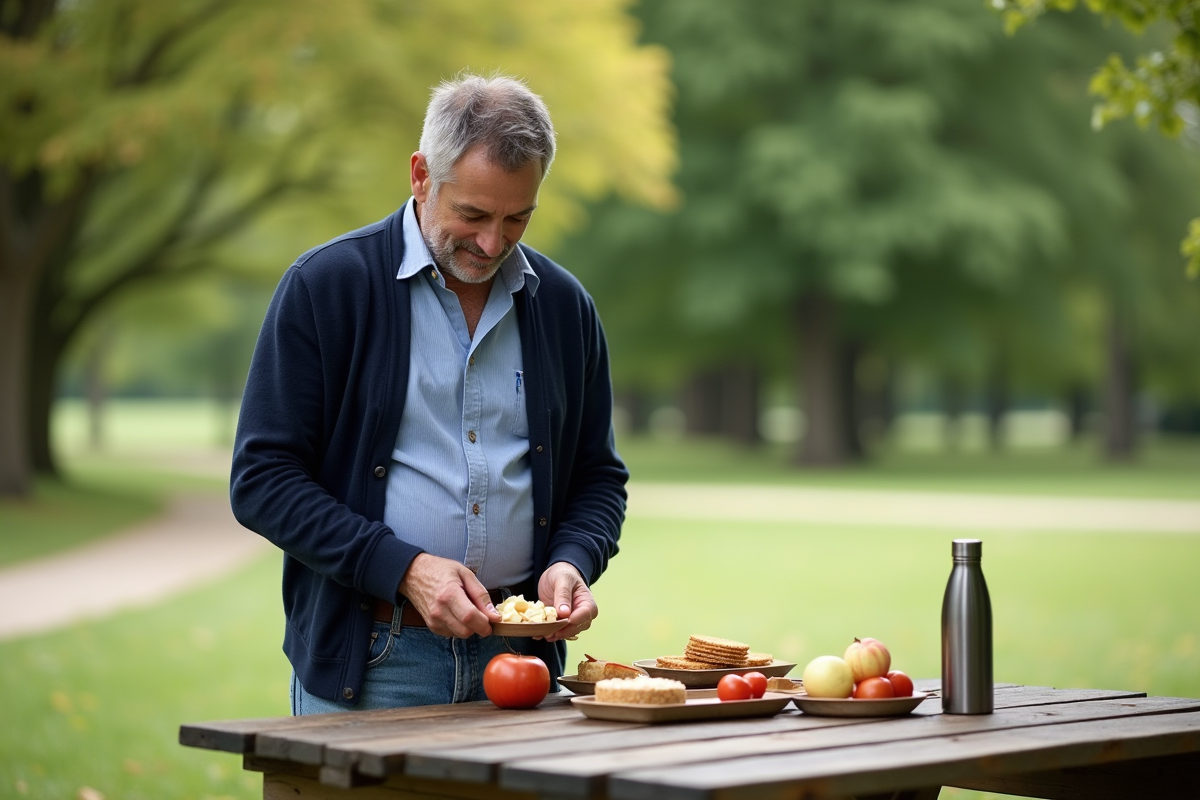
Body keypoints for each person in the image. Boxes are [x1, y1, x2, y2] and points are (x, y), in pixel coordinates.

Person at [230, 74, 627, 714]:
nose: (493, 243)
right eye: (472, 214)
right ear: (421, 174)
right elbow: (262, 480)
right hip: (376, 658)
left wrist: (573, 559)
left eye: (517, 217)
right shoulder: (325, 286)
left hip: (522, 664)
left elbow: (598, 477)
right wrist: (405, 569)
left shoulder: (564, 307)